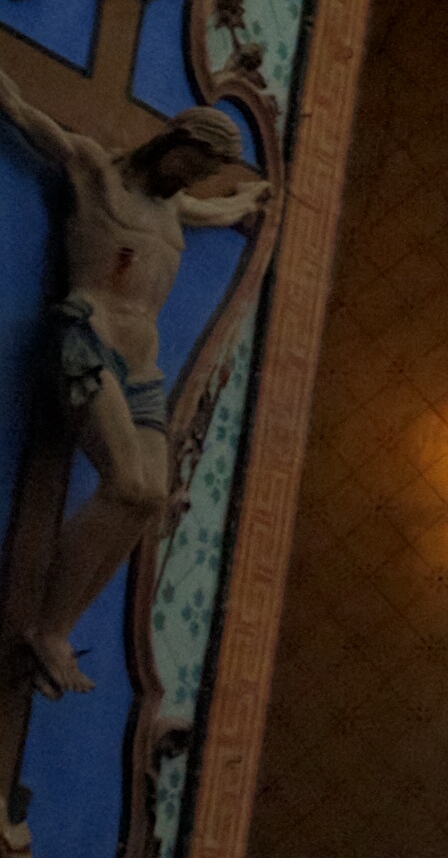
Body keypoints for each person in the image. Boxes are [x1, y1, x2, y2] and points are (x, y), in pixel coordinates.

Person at [0, 77, 263, 696]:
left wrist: (251, 199)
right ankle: (41, 625)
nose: (188, 182)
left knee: (151, 498)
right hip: (87, 340)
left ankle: (55, 631)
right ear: (172, 141)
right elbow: (20, 110)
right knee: (125, 482)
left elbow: (216, 209)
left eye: (201, 175)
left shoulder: (176, 207)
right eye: (189, 165)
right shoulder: (97, 173)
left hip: (143, 368)